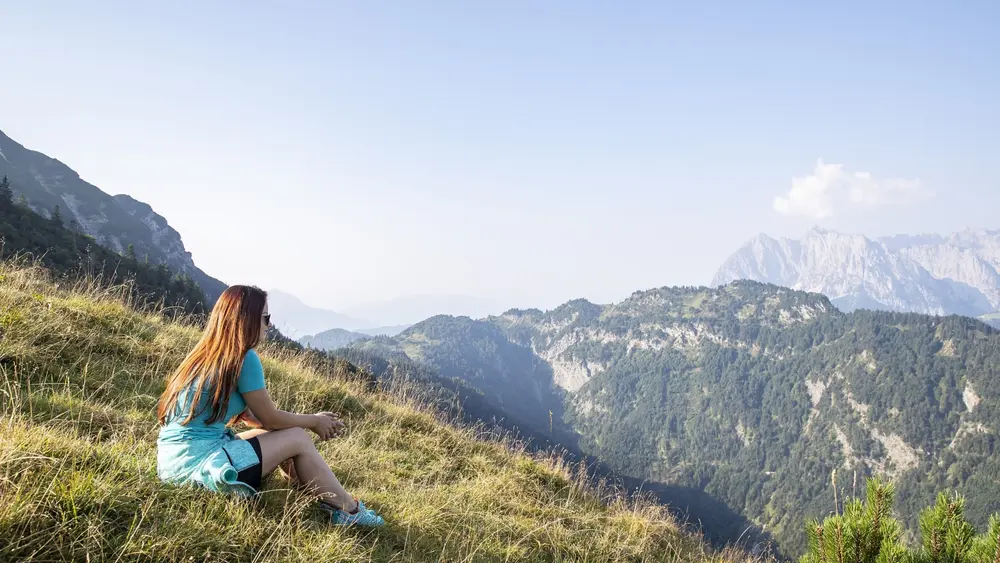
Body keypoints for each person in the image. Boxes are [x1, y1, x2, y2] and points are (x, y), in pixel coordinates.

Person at [155, 285, 384, 527]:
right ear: (247, 319)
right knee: (298, 437)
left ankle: (316, 492)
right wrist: (314, 421)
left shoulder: (206, 354)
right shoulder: (244, 358)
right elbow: (271, 419)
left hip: (174, 465)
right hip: (200, 466)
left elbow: (256, 418)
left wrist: (289, 425)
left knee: (287, 434)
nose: (270, 324)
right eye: (266, 317)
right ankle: (348, 511)